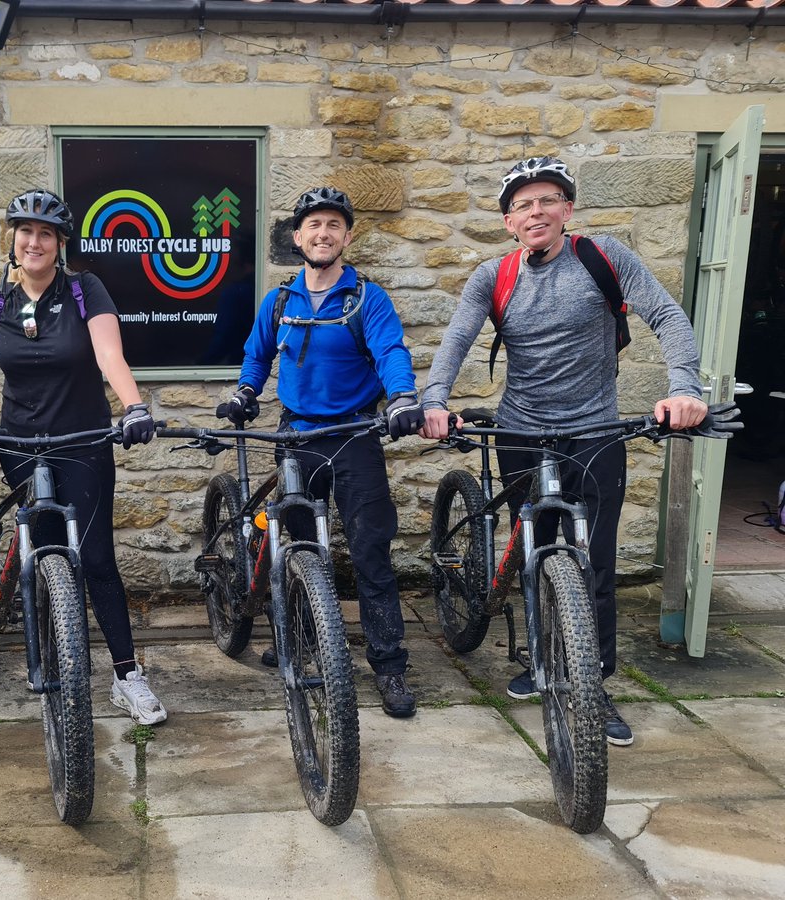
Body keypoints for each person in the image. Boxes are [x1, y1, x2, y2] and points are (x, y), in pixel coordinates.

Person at [420, 156, 707, 746]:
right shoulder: (491, 275)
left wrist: (683, 389)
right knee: (535, 552)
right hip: (521, 430)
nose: (537, 211)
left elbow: (668, 317)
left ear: (567, 209)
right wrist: (433, 401)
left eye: (548, 200)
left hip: (595, 430)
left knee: (594, 563)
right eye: (523, 205)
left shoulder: (603, 258)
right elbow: (456, 340)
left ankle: (592, 684)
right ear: (509, 222)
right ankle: (541, 660)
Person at [223, 186, 425, 718]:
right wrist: (246, 392)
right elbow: (257, 355)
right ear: (297, 237)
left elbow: (391, 352)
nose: (323, 233)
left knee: (370, 554)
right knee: (298, 549)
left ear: (347, 236)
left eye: (334, 225)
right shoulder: (280, 301)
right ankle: (302, 640)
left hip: (356, 436)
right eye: (313, 225)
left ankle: (389, 666)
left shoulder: (367, 298)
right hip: (296, 438)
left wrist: (404, 397)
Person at [0, 188, 165, 726]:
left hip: (82, 441)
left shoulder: (85, 290)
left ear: (60, 243)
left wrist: (134, 406)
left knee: (96, 558)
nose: (34, 241)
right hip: (21, 444)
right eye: (26, 231)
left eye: (46, 234)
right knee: (49, 555)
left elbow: (108, 353)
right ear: (13, 239)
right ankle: (62, 659)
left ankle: (127, 677)